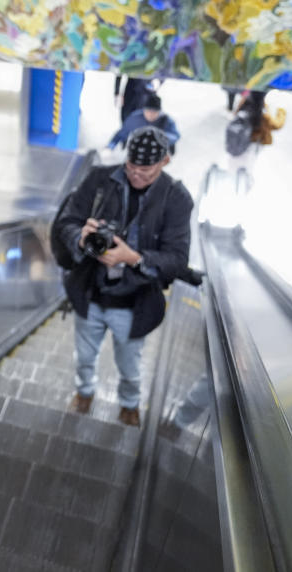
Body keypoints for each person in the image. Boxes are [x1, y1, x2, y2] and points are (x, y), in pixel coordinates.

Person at [54, 126, 193, 426]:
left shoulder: (177, 199)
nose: (135, 175)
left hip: (134, 303)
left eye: (145, 170)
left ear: (165, 162)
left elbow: (177, 260)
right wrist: (81, 237)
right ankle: (84, 392)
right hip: (89, 294)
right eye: (130, 167)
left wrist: (134, 257)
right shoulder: (99, 180)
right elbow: (66, 222)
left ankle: (129, 404)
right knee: (85, 356)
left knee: (130, 365)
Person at [107, 92, 181, 153]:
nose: (151, 114)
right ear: (143, 110)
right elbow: (121, 134)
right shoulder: (135, 118)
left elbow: (176, 136)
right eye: (148, 111)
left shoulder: (166, 120)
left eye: (154, 112)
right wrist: (110, 147)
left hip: (160, 149)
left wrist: (160, 137)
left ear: (159, 112)